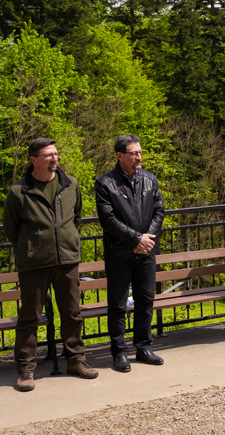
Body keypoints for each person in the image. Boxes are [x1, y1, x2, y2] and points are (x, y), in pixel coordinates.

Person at [2, 138, 98, 392]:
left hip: (67, 259)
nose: (55, 159)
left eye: (56, 154)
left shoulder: (70, 184)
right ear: (34, 160)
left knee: (72, 313)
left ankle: (76, 360)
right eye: (48, 155)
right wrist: (34, 246)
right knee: (30, 317)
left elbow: (76, 216)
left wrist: (67, 240)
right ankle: (25, 369)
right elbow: (11, 228)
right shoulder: (19, 191)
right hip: (34, 264)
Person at [96, 135, 165, 372]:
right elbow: (108, 220)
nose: (139, 157)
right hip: (119, 254)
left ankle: (143, 347)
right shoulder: (105, 183)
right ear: (119, 156)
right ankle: (119, 352)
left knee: (145, 301)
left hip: (146, 252)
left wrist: (146, 240)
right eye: (133, 153)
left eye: (140, 152)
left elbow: (159, 211)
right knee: (117, 304)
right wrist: (136, 239)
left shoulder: (149, 179)